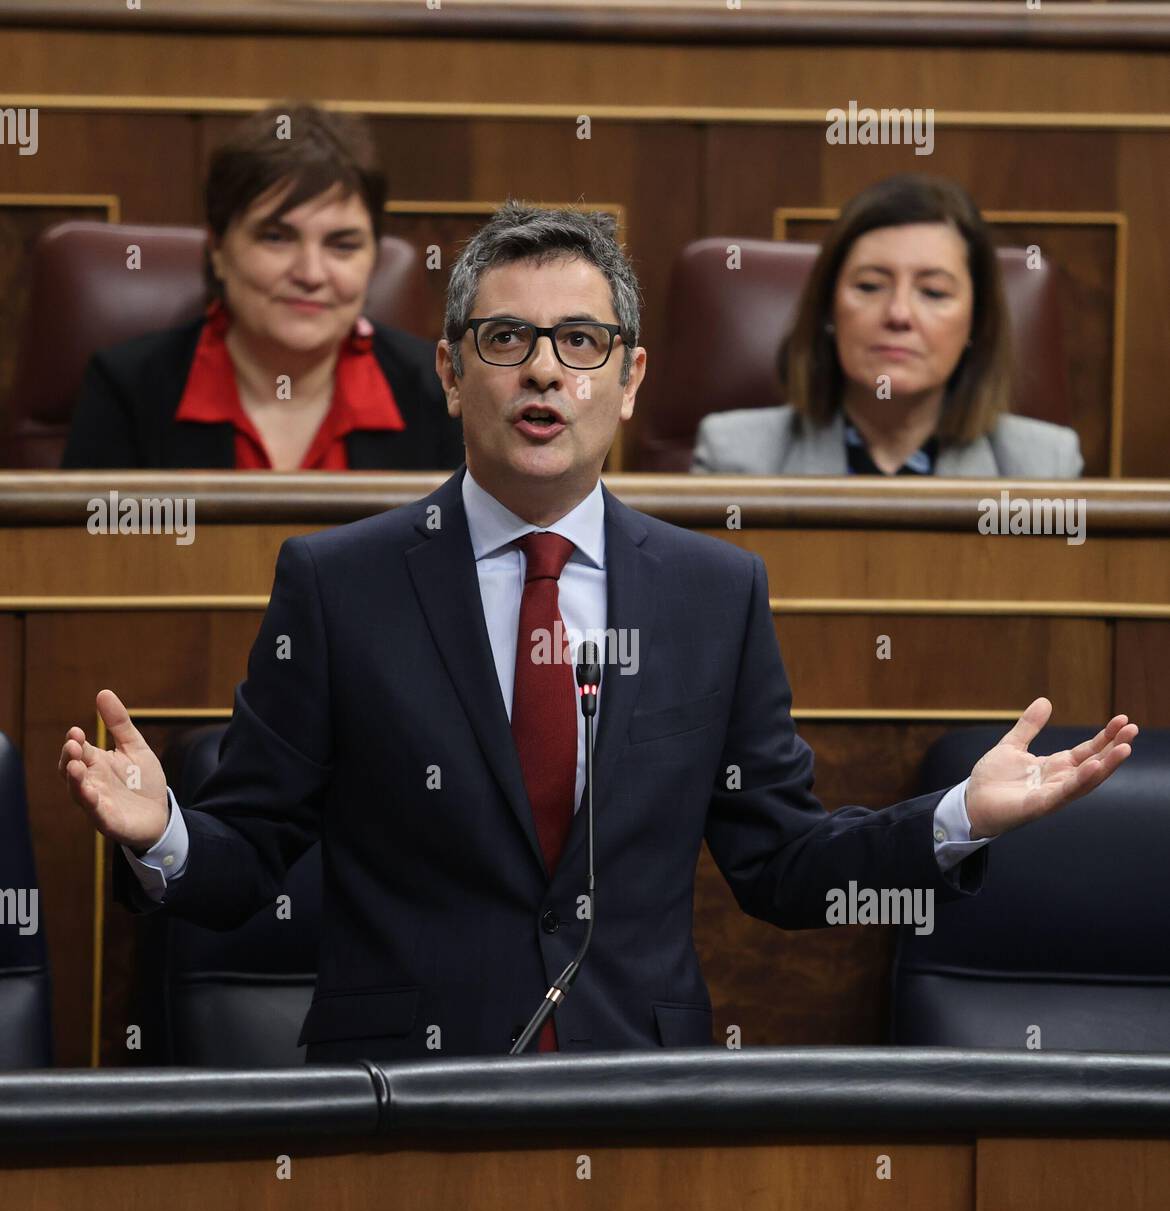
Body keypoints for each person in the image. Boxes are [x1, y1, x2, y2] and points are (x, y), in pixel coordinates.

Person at [59, 201, 1134, 1063]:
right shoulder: (339, 584)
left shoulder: (715, 593)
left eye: (580, 341)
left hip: (638, 1091)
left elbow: (784, 863)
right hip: (397, 1103)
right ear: (448, 371)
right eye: (505, 338)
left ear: (630, 380)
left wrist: (957, 817)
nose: (542, 370)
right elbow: (247, 867)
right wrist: (164, 834)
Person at [61, 104, 462, 472]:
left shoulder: (443, 393)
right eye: (276, 238)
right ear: (218, 249)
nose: (310, 274)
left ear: (373, 258)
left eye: (342, 245)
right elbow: (89, 550)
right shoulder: (127, 390)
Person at [692, 174, 1083, 478]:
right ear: (828, 309)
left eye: (932, 292)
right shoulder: (735, 455)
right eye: (870, 286)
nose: (898, 314)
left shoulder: (1043, 466)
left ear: (975, 323)